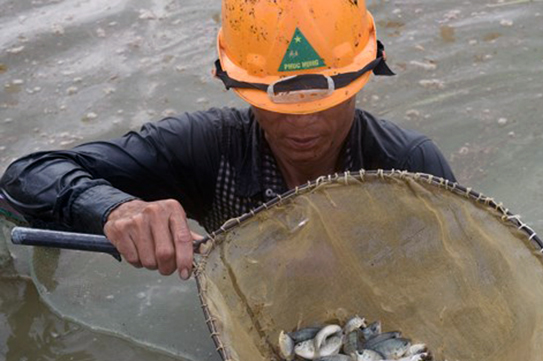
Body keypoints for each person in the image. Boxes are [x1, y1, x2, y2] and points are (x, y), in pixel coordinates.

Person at [0, 0, 455, 281]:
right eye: (280, 105)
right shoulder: (207, 148)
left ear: (363, 79)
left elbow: (453, 275)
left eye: (324, 101)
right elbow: (28, 174)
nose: (303, 123)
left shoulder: (407, 165)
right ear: (240, 88)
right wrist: (117, 209)